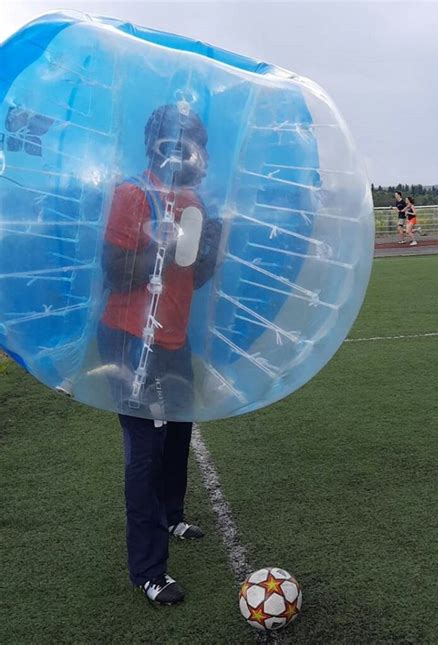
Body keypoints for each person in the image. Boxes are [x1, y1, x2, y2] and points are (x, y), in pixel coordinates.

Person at [97, 103, 221, 607]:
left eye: (196, 139)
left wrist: (210, 248)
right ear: (158, 142)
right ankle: (149, 570)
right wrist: (162, 246)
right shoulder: (132, 193)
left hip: (173, 337)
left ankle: (172, 514)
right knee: (144, 453)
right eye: (182, 138)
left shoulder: (193, 201)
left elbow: (196, 277)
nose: (190, 149)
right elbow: (112, 268)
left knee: (181, 429)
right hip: (130, 339)